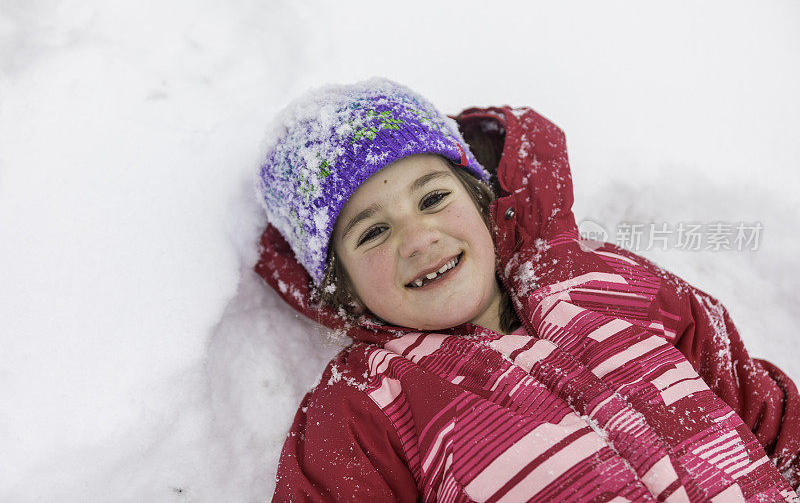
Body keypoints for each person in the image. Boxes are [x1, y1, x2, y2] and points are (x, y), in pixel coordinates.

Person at [255, 78, 800, 501]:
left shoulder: (603, 279)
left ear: (479, 200)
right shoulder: (366, 403)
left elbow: (757, 410)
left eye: (433, 198)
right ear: (341, 287)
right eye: (374, 231)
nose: (419, 239)